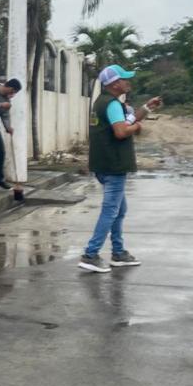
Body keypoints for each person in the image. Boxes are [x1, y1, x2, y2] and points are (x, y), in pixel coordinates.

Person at [79, 64, 163, 273]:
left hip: (103, 164)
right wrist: (138, 128)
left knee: (119, 209)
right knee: (111, 210)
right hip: (113, 165)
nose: (128, 82)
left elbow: (127, 120)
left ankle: (118, 252)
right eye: (125, 79)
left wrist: (146, 108)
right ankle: (91, 254)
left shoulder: (102, 102)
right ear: (115, 84)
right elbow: (121, 131)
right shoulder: (113, 104)